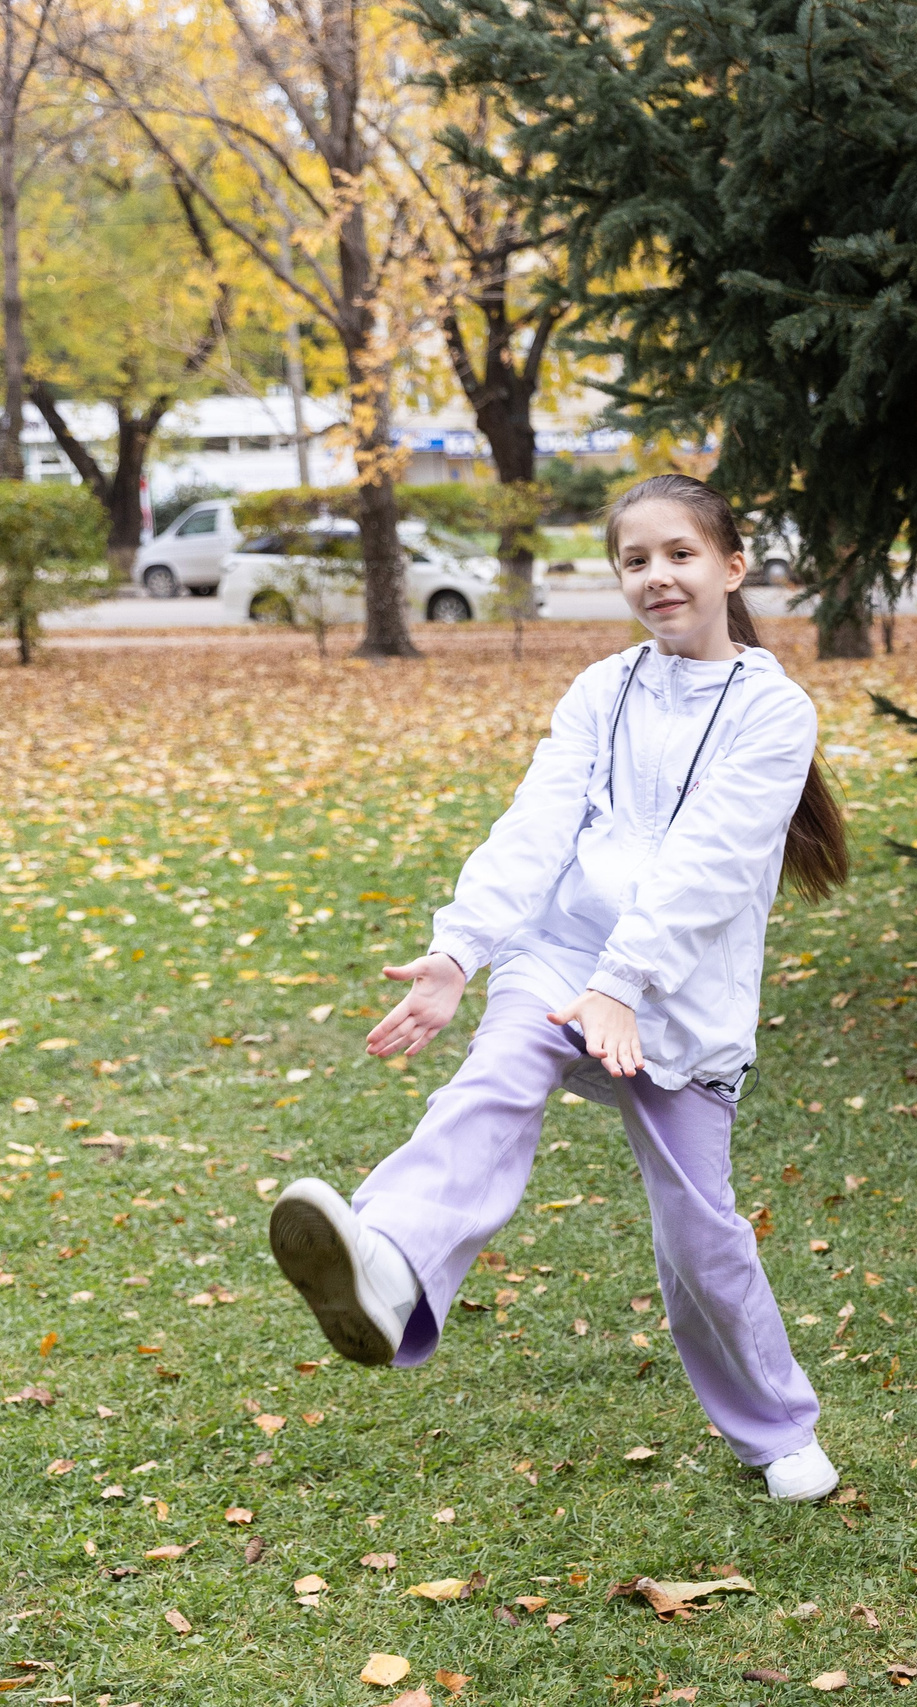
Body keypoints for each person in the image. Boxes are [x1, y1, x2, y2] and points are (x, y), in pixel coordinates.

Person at [266, 475, 852, 1503]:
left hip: (680, 993)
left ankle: (776, 1426)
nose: (656, 576)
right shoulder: (600, 689)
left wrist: (622, 984)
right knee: (493, 1077)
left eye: (678, 554)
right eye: (635, 560)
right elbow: (537, 824)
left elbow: (709, 866)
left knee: (699, 1235)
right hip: (561, 954)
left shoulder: (773, 708)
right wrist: (460, 955)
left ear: (730, 565)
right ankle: (389, 1263)